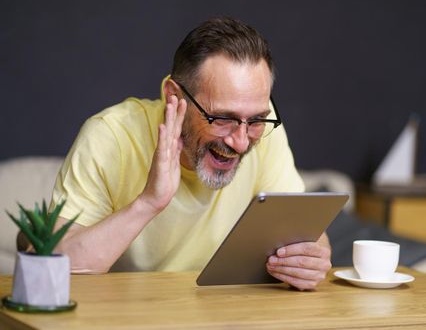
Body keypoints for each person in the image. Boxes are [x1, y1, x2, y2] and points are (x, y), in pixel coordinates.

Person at [48, 17, 331, 290]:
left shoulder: (266, 132)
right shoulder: (110, 136)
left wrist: (310, 260)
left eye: (256, 120)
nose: (241, 142)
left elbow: (311, 236)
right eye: (222, 118)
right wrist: (149, 202)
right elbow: (56, 266)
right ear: (174, 97)